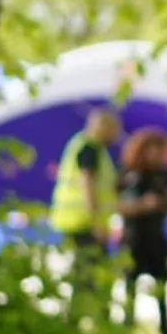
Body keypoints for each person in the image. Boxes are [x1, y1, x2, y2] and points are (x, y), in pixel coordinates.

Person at [50, 107, 122, 321]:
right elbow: (87, 186)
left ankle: (81, 316)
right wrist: (96, 222)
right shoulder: (89, 150)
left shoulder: (86, 147)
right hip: (83, 222)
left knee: (84, 272)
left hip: (78, 220)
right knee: (90, 273)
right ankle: (92, 317)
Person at [116, 127, 167, 334]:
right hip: (134, 238)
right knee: (130, 284)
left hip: (156, 237)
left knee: (161, 284)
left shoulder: (164, 175)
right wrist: (143, 206)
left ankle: (165, 328)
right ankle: (127, 325)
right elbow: (118, 205)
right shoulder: (129, 174)